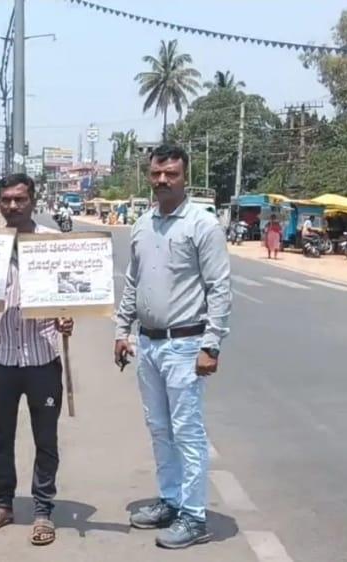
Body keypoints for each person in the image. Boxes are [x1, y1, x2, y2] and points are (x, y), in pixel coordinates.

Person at [114, 144, 231, 550]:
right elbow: (134, 281)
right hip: (147, 344)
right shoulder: (143, 224)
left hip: (185, 344)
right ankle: (170, 499)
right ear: (149, 175)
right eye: (157, 174)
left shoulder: (202, 226)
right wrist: (121, 330)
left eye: (172, 174)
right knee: (159, 428)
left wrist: (211, 345)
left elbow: (219, 288)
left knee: (187, 431)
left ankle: (195, 516)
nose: (163, 180)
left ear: (185, 178)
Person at [0, 173, 73, 547]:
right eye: (6, 199)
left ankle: (42, 511)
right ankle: (3, 505)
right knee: (1, 437)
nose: (13, 206)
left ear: (34, 200)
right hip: (1, 358)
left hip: (42, 358)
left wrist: (67, 316)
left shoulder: (53, 244)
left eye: (20, 199)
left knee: (45, 439)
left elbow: (70, 293)